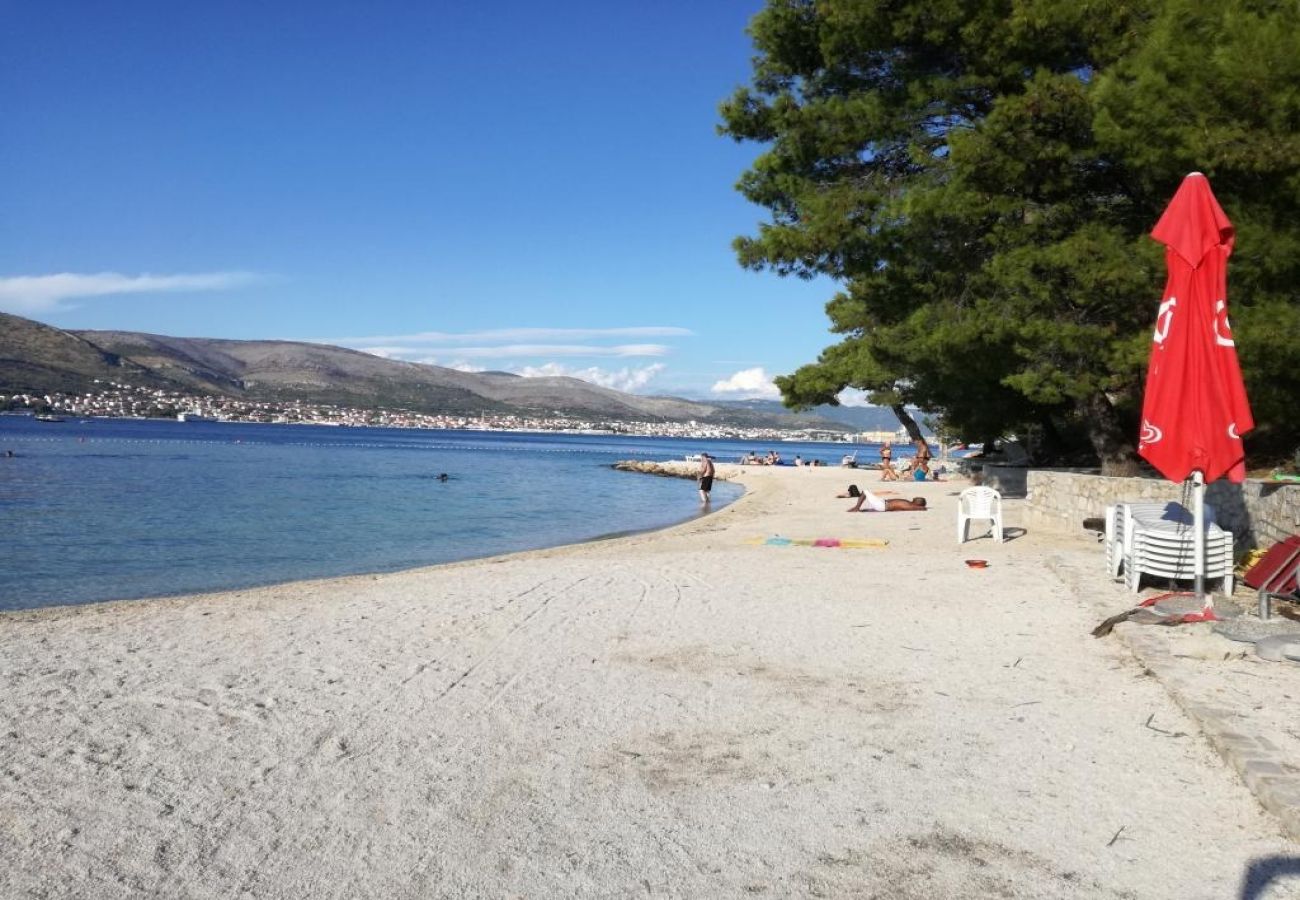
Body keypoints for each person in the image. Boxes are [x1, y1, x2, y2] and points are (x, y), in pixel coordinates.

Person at [837, 484, 927, 512]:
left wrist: (922, 507)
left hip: (882, 505)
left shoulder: (909, 505)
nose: (916, 497)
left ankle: (856, 508)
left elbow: (919, 508)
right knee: (866, 494)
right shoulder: (909, 503)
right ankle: (858, 508)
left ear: (918, 502)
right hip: (882, 503)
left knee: (865, 492)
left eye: (918, 498)